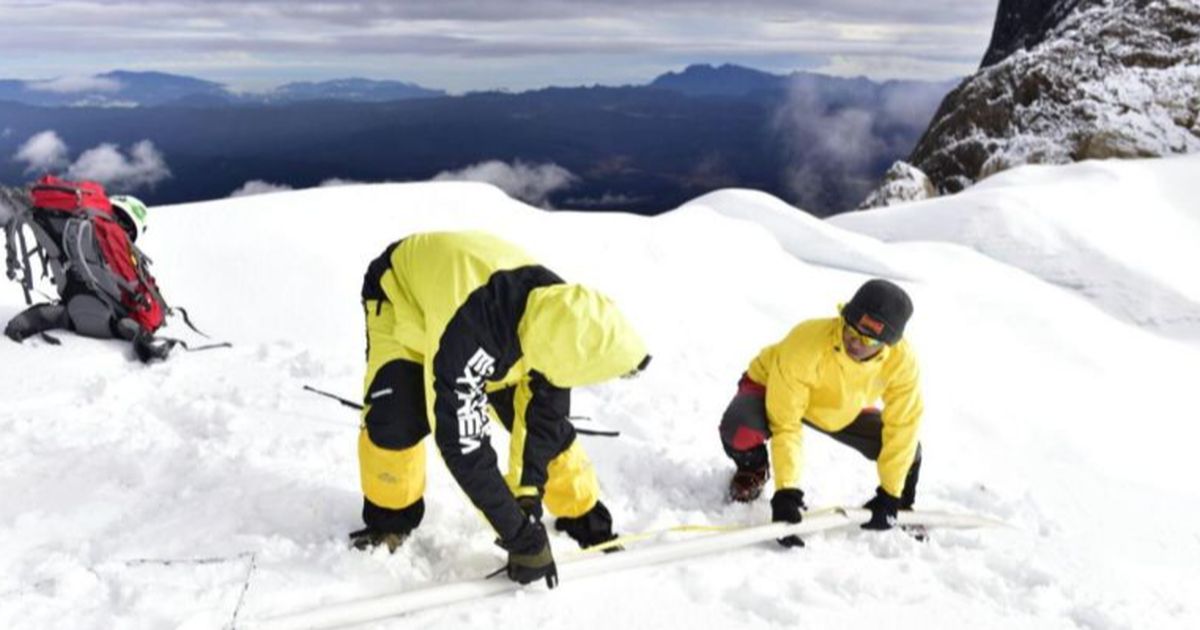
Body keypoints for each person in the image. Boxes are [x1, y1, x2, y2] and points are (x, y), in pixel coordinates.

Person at [351, 230, 650, 588]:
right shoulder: (469, 338)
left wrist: (526, 500)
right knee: (396, 419)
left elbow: (541, 424)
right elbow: (464, 445)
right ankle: (390, 520)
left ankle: (581, 514)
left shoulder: (567, 317)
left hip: (485, 320)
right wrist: (518, 534)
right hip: (403, 302)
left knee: (550, 432)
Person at [717, 279, 923, 543]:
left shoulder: (902, 362)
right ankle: (753, 468)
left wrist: (890, 493)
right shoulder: (806, 343)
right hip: (774, 387)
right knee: (740, 429)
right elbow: (786, 424)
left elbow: (903, 424)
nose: (854, 342)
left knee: (909, 450)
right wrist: (786, 493)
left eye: (868, 338)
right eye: (850, 329)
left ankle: (899, 505)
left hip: (840, 405)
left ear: (887, 344)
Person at [4, 189, 173, 362]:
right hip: (113, 321)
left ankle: (19, 327)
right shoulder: (114, 239)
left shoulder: (70, 224)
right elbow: (148, 316)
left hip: (72, 308)